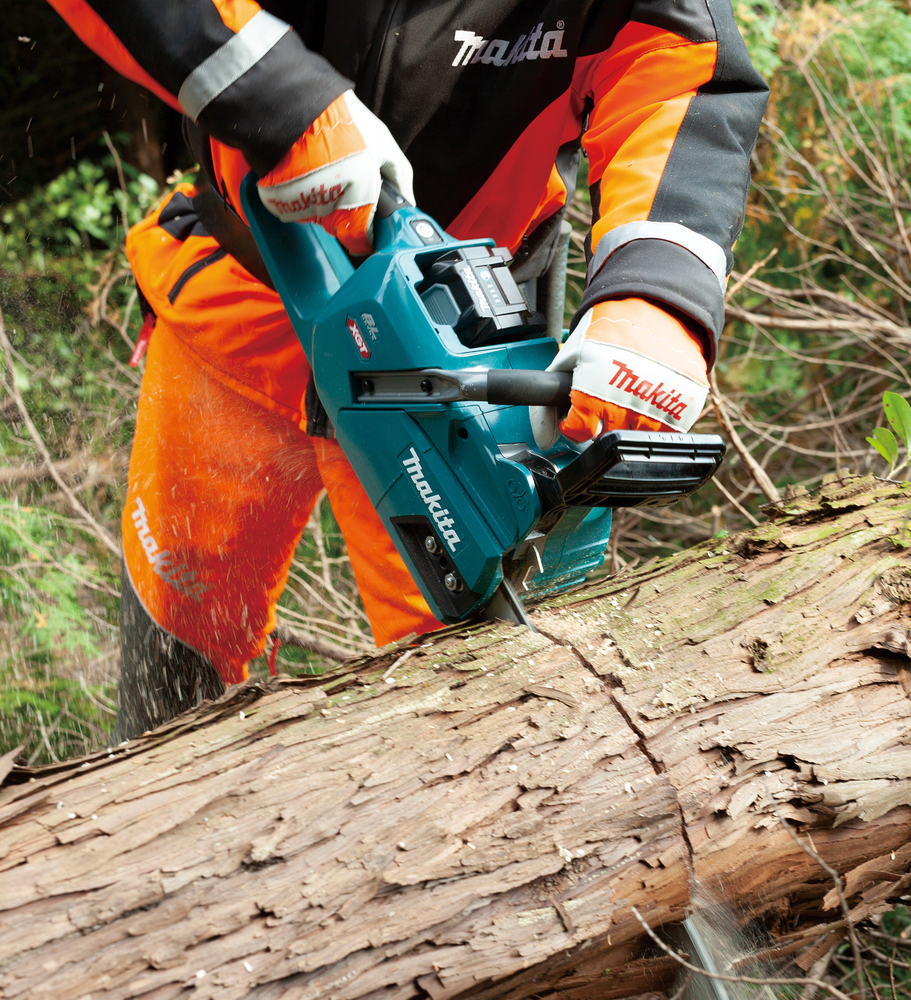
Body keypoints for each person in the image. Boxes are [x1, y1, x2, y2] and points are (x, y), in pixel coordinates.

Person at [47, 0, 768, 738]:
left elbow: (676, 66)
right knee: (179, 618)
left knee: (490, 695)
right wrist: (282, 102)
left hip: (463, 366)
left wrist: (658, 289)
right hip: (243, 289)